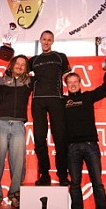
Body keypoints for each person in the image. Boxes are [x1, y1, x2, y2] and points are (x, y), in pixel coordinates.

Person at [64, 64, 106, 209]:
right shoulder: (62, 101)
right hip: (72, 147)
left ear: (80, 83)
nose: (73, 85)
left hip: (90, 145)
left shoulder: (87, 97)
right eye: (70, 82)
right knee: (75, 184)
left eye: (75, 82)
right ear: (66, 85)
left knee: (97, 183)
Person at [0, 54, 33, 209]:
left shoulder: (29, 82)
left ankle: (16, 195)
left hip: (18, 125)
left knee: (18, 162)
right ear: (11, 64)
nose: (19, 66)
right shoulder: (0, 81)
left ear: (26, 68)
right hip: (0, 124)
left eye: (23, 64)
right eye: (17, 63)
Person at [30, 30, 71, 186]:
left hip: (56, 100)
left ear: (52, 41)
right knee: (39, 139)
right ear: (40, 40)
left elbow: (67, 77)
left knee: (60, 138)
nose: (46, 42)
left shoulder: (60, 57)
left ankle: (62, 175)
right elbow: (20, 73)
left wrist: (74, 92)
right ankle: (44, 175)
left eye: (49, 40)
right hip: (38, 101)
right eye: (44, 39)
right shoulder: (33, 60)